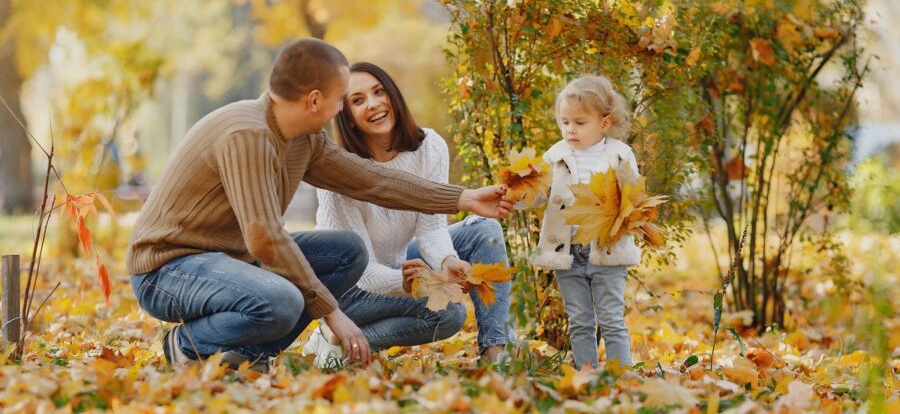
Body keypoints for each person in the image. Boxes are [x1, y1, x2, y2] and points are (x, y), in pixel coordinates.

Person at [126, 39, 513, 371]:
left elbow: (374, 181)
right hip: (168, 270)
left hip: (230, 262)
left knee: (346, 251)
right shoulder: (247, 135)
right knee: (282, 299)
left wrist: (462, 198)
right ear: (315, 100)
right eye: (343, 99)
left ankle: (250, 354)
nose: (343, 110)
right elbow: (265, 237)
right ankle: (186, 346)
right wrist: (332, 313)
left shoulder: (305, 140)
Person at [308, 62, 515, 367]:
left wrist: (447, 261)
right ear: (347, 117)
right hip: (345, 290)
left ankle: (495, 351)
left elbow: (431, 228)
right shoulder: (339, 173)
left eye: (379, 92)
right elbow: (363, 271)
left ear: (393, 94)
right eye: (358, 100)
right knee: (449, 312)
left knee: (483, 229)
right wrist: (413, 284)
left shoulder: (429, 146)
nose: (374, 104)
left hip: (399, 264)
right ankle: (339, 342)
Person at [516, 74, 638, 369]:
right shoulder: (556, 155)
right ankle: (587, 374)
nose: (570, 130)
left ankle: (621, 377)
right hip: (567, 253)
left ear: (604, 123)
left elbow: (634, 201)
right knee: (580, 319)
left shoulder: (620, 156)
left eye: (580, 123)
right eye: (564, 122)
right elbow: (539, 194)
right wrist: (517, 194)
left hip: (606, 251)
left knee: (611, 319)